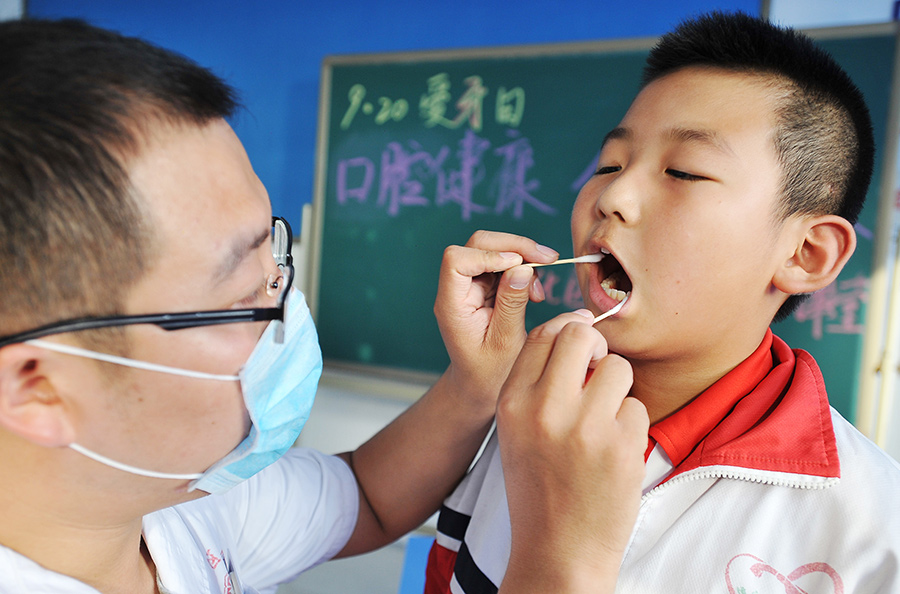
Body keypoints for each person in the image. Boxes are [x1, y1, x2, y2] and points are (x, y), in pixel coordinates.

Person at [0, 17, 592, 594]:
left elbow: (366, 498)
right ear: (37, 386)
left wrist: (476, 385)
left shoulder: (176, 501)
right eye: (240, 296)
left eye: (275, 254)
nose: (287, 308)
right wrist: (556, 563)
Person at [425, 11, 900, 593]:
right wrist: (477, 386)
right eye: (609, 165)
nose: (614, 197)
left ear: (806, 254)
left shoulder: (873, 539)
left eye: (684, 171)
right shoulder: (528, 409)